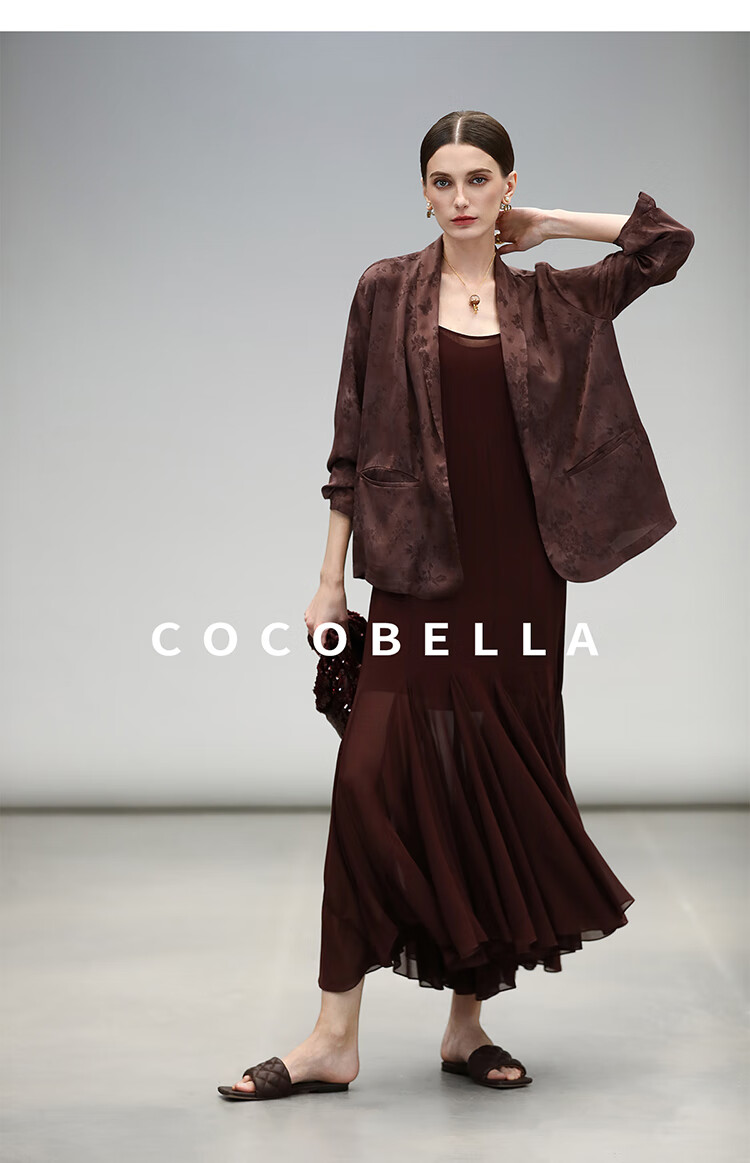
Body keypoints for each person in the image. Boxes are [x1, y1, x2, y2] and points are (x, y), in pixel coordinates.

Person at [218, 110, 693, 1101]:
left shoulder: (553, 299)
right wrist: (329, 576)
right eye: (444, 180)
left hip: (521, 576)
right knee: (369, 781)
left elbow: (664, 243)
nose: (463, 197)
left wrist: (552, 223)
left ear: (507, 185)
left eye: (481, 178)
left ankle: (466, 1025)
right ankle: (331, 1037)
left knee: (489, 785)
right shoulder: (385, 290)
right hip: (416, 569)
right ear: (424, 193)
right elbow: (350, 440)